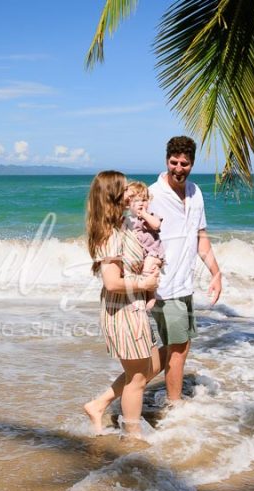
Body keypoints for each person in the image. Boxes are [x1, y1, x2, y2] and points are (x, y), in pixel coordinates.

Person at [83, 170, 162, 437]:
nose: (130, 190)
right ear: (114, 195)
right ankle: (133, 436)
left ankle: (99, 404)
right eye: (125, 187)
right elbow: (112, 283)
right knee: (138, 379)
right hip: (123, 311)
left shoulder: (123, 226)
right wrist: (145, 284)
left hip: (134, 307)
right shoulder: (109, 236)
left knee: (148, 367)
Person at [148, 136, 222, 406]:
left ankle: (122, 390)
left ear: (192, 163)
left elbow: (201, 237)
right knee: (178, 349)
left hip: (185, 284)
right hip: (164, 285)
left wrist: (216, 273)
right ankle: (174, 404)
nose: (178, 168)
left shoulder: (195, 192)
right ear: (166, 160)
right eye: (173, 162)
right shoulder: (151, 195)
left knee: (177, 348)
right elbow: (134, 237)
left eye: (184, 163)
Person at [124, 181, 165, 311]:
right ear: (128, 204)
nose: (141, 203)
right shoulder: (128, 220)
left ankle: (151, 295)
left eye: (144, 200)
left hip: (153, 253)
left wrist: (145, 215)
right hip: (141, 255)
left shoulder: (150, 218)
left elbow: (157, 225)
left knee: (147, 268)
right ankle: (135, 298)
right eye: (136, 200)